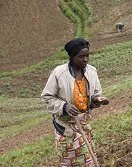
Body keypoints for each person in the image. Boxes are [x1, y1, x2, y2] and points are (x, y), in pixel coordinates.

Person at [41, 38, 109, 166]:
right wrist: (64, 106)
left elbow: (95, 93)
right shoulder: (59, 73)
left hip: (84, 125)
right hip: (66, 128)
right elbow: (47, 97)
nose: (85, 60)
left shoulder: (91, 71)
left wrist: (96, 99)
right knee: (71, 162)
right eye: (81, 57)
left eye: (87, 56)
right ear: (72, 57)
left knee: (89, 160)